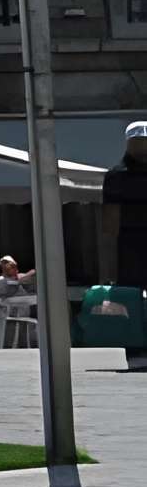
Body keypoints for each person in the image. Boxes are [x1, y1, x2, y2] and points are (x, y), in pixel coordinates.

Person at [107, 123, 147, 371]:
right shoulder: (117, 175)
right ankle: (133, 351)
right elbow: (110, 219)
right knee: (129, 298)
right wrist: (109, 258)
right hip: (129, 243)